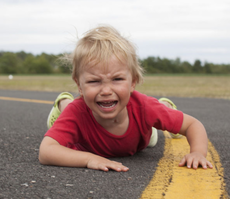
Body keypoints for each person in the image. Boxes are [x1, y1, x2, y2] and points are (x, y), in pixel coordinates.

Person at [39, 25, 213, 172]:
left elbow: (193, 125)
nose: (106, 90)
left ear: (133, 83)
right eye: (94, 81)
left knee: (153, 137)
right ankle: (63, 102)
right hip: (85, 122)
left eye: (117, 79)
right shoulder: (78, 112)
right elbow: (46, 152)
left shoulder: (144, 108)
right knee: (70, 109)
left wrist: (198, 153)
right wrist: (88, 159)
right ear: (79, 85)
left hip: (140, 139)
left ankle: (164, 105)